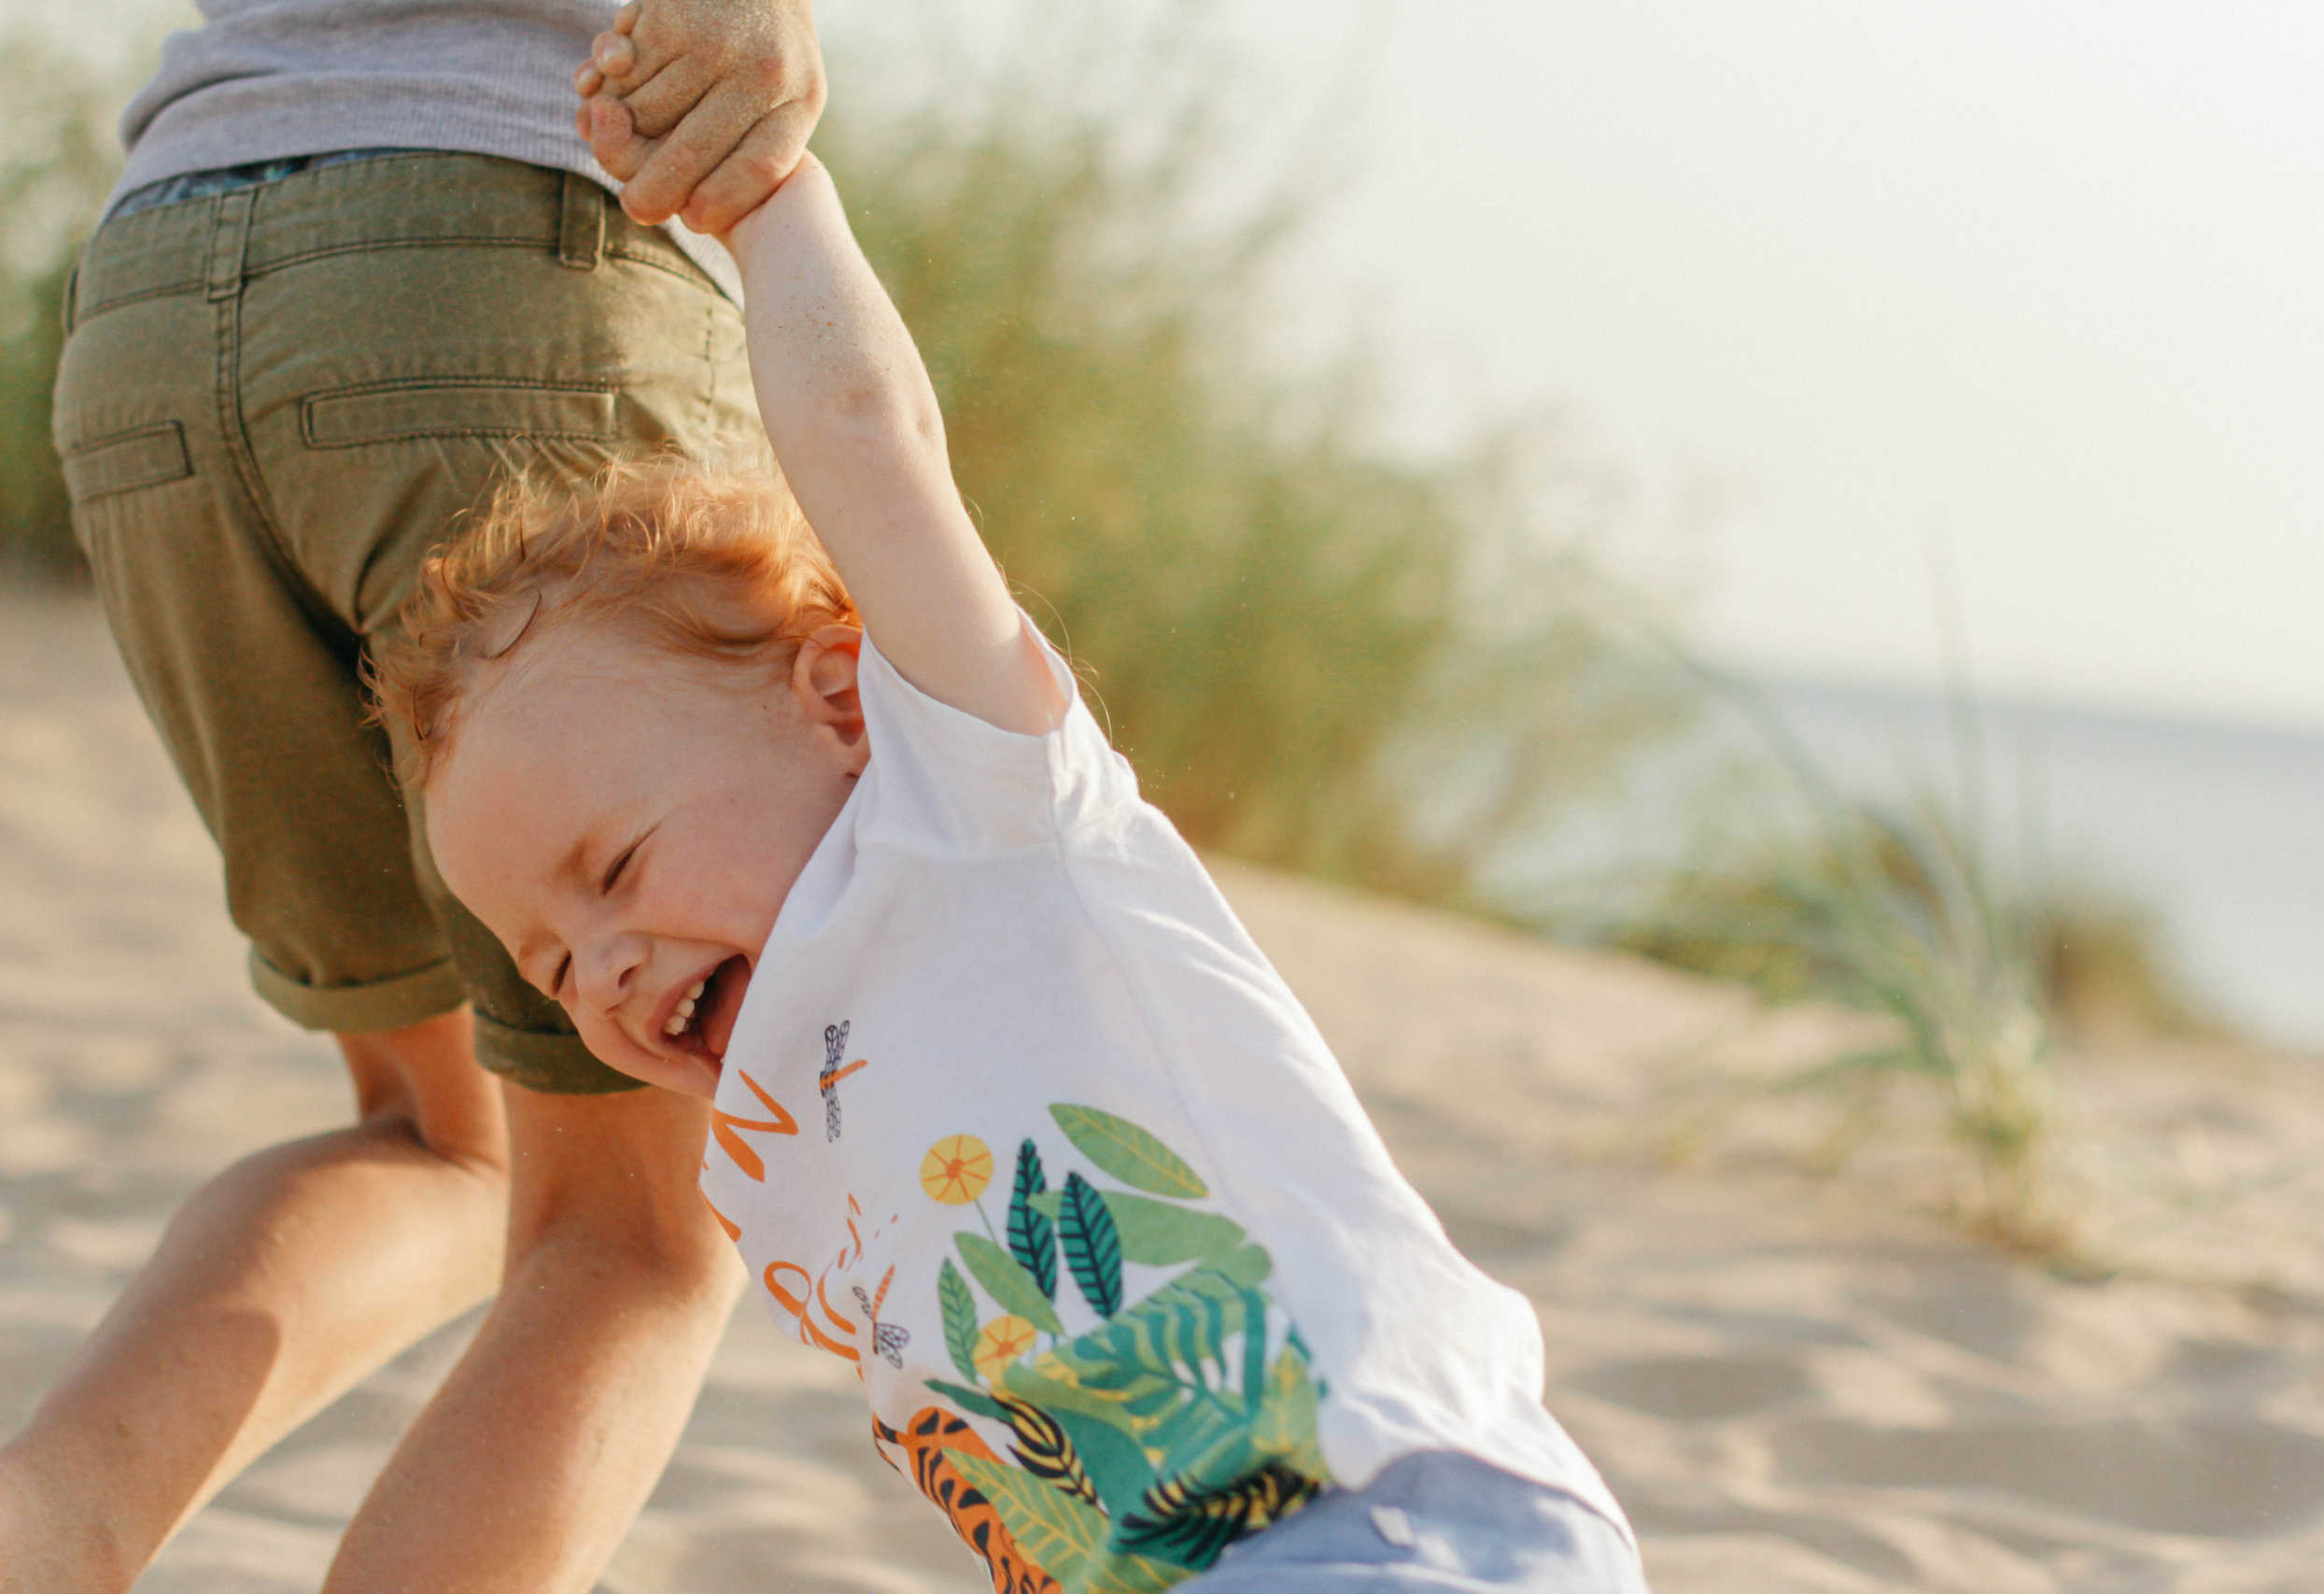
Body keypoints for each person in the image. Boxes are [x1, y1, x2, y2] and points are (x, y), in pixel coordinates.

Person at [369, 111, 1655, 1590]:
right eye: (548, 957)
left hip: (1372, 1513)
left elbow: (867, 437)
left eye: (615, 869)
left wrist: (771, 196)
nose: (599, 969)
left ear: (844, 702)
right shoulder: (784, 1121)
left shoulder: (973, 819)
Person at [6, 4, 822, 1588]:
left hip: (157, 299)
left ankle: (38, 1539)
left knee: (443, 1138)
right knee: (638, 1235)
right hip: (509, 246)